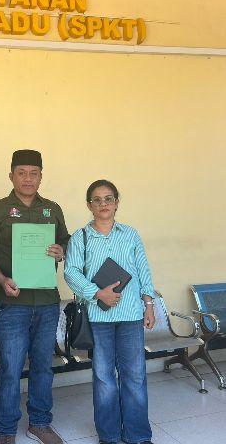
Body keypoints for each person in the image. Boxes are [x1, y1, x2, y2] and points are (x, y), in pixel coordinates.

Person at [0, 150, 69, 444]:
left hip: (46, 303)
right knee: (11, 369)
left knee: (43, 366)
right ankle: (6, 430)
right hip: (11, 304)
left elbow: (66, 243)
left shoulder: (53, 209)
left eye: (33, 173)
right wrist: (1, 279)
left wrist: (62, 250)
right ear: (11, 176)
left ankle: (40, 423)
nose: (28, 179)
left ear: (41, 176)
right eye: (21, 173)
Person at [64, 179, 155, 444]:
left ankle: (138, 435)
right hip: (98, 317)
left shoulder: (130, 234)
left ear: (116, 203)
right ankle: (110, 436)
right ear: (89, 205)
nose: (103, 204)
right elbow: (71, 272)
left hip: (131, 315)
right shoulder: (81, 237)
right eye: (97, 199)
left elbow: (143, 271)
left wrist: (149, 305)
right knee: (104, 378)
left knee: (134, 376)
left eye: (108, 198)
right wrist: (97, 293)